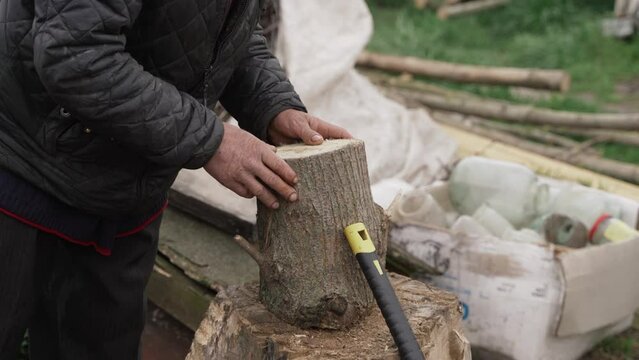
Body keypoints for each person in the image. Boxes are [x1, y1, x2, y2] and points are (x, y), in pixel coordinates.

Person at [0, 0, 351, 358]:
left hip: (125, 197)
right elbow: (74, 55)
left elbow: (226, 34)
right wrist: (210, 140)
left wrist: (273, 104)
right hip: (21, 170)